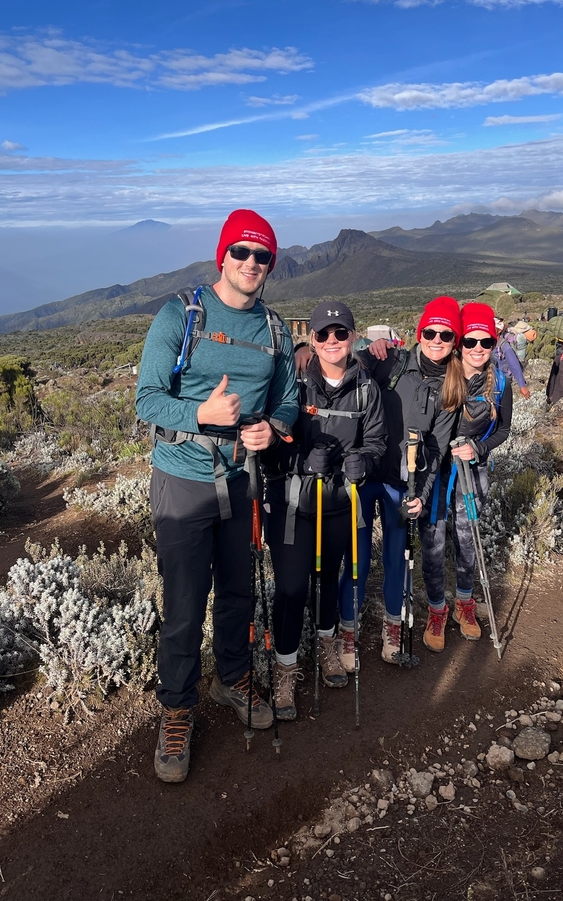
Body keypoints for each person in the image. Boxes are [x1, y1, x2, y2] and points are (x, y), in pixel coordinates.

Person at [136, 209, 299, 783]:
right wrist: (200, 414)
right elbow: (147, 401)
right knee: (183, 603)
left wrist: (272, 429)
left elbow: (286, 396)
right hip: (182, 479)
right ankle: (177, 709)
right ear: (221, 256)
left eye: (263, 257)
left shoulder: (275, 330)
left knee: (236, 591)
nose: (252, 265)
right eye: (242, 253)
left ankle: (231, 678)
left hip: (240, 480)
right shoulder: (180, 315)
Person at [263, 300, 386, 720]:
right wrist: (299, 461)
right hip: (293, 505)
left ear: (353, 337)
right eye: (322, 334)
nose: (331, 341)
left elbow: (376, 442)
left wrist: (364, 463)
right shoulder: (291, 385)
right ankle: (285, 667)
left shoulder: (367, 389)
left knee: (329, 581)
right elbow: (270, 447)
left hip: (338, 504)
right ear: (311, 340)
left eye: (340, 333)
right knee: (293, 588)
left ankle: (328, 647)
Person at [335, 297, 466, 669]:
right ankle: (348, 634)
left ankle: (393, 630)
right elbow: (342, 362)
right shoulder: (389, 360)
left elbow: (438, 449)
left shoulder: (451, 388)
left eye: (445, 334)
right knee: (356, 559)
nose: (436, 339)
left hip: (403, 486)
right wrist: (362, 350)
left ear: (453, 340)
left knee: (397, 559)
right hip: (366, 475)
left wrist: (422, 497)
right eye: (430, 332)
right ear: (418, 333)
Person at [420, 302, 513, 652]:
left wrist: (479, 448)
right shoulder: (443, 374)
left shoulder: (499, 383)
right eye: (470, 341)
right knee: (433, 542)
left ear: (494, 344)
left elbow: (502, 430)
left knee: (467, 538)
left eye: (485, 342)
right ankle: (436, 610)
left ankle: (465, 604)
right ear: (460, 344)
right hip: (436, 473)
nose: (477, 349)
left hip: (472, 474)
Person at [494, 317, 530, 400]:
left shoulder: (504, 345)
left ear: (499, 331)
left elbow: (514, 364)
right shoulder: (488, 344)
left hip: (503, 382)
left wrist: (522, 386)